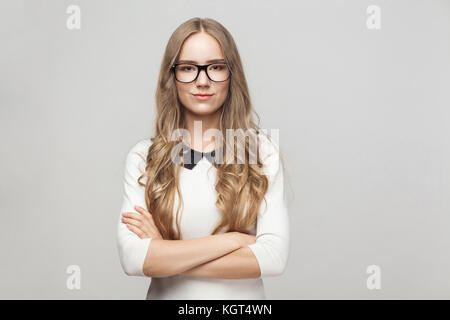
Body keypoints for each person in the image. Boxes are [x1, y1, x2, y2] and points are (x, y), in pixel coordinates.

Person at [116, 17, 290, 300]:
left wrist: (165, 253)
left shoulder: (261, 152)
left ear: (232, 74)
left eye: (216, 67)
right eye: (188, 68)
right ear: (171, 76)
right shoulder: (144, 157)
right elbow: (134, 260)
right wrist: (233, 241)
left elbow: (273, 259)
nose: (202, 81)